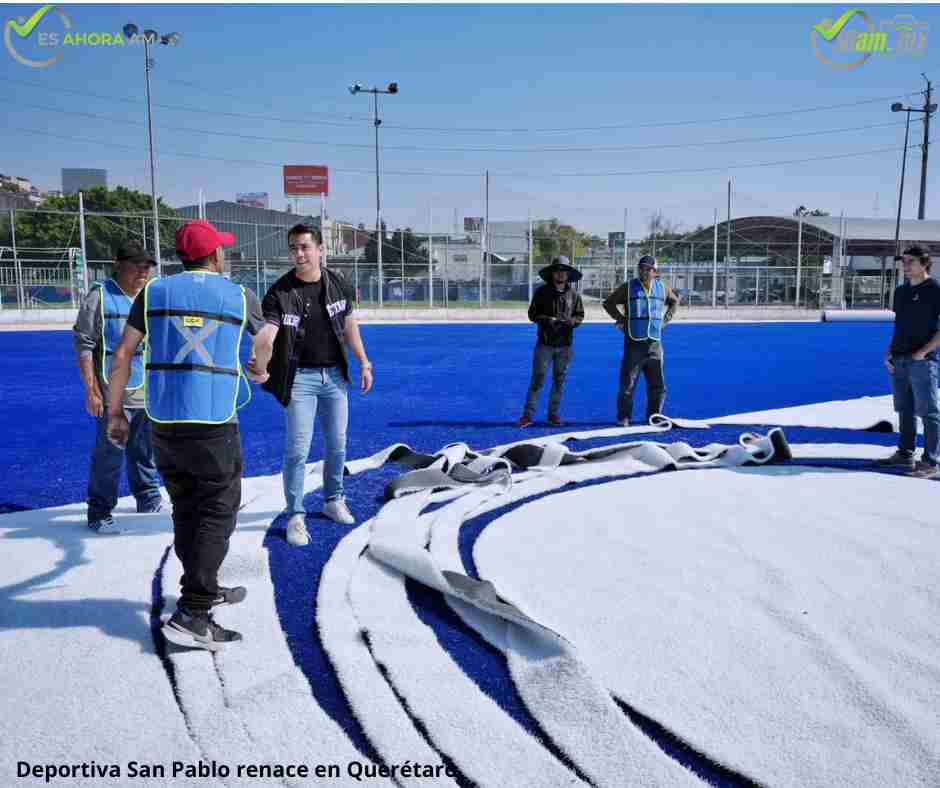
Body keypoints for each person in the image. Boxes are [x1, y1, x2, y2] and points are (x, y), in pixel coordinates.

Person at [106, 220, 265, 650]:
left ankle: (203, 585)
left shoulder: (153, 292)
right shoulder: (237, 294)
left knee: (186, 507)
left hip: (165, 423)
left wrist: (115, 412)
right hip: (213, 423)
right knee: (217, 509)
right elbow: (268, 335)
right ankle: (195, 612)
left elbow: (123, 354)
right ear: (214, 256)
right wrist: (261, 367)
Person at [248, 223, 373, 547]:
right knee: (298, 450)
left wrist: (363, 361)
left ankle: (333, 499)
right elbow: (268, 335)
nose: (299, 253)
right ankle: (295, 515)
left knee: (337, 444)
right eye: (293, 248)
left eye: (304, 247)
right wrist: (261, 363)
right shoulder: (280, 292)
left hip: (334, 376)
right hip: (299, 379)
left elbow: (348, 325)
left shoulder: (337, 283)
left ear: (320, 249)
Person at [73, 242, 162, 534]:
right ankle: (99, 512)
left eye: (147, 265)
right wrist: (91, 389)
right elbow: (85, 344)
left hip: (146, 391)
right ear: (117, 264)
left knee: (145, 449)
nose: (143, 271)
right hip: (113, 392)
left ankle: (148, 497)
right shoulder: (99, 297)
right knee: (110, 453)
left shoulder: (152, 296)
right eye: (136, 264)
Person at [876, 245, 940, 478]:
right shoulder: (901, 292)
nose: (905, 265)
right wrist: (889, 352)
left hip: (922, 361)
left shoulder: (935, 290)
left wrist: (924, 352)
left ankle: (930, 461)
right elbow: (899, 326)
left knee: (929, 412)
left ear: (925, 264)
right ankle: (905, 454)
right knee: (905, 410)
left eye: (910, 261)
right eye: (903, 261)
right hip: (899, 359)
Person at [603, 254, 680, 425]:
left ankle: (655, 416)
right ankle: (624, 417)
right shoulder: (628, 287)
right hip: (634, 344)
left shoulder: (663, 288)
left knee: (657, 384)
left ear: (655, 271)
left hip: (655, 344)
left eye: (648, 269)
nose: (644, 271)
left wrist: (665, 320)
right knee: (628, 384)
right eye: (642, 268)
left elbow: (674, 302)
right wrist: (621, 319)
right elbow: (608, 303)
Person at [516, 256, 584, 428]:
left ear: (568, 274)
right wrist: (547, 319)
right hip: (545, 345)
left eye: (564, 271)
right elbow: (532, 315)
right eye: (558, 270)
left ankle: (553, 414)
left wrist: (572, 322)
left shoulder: (574, 295)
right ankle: (527, 415)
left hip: (565, 346)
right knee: (538, 379)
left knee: (559, 380)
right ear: (552, 273)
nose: (561, 274)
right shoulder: (542, 292)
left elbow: (580, 315)